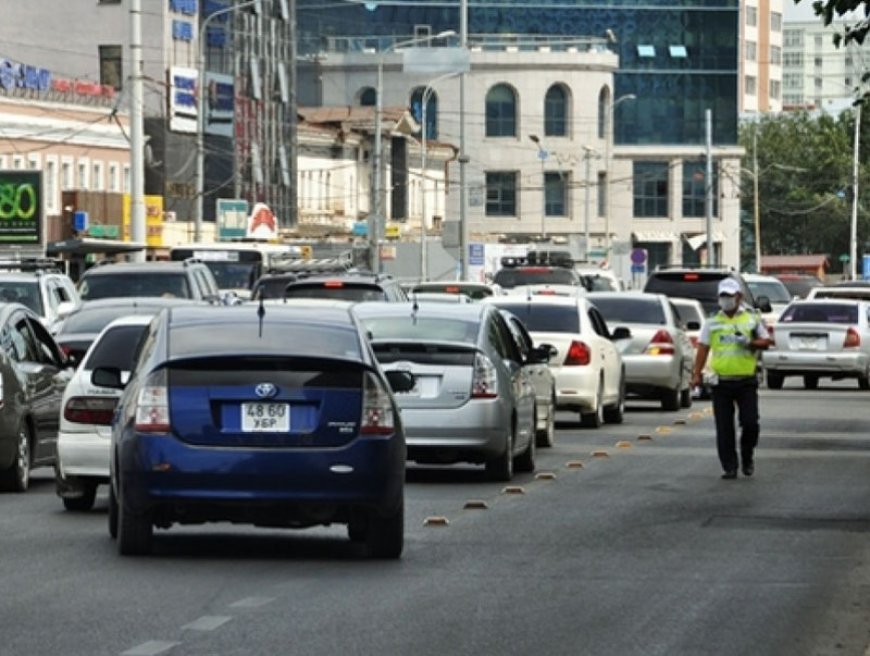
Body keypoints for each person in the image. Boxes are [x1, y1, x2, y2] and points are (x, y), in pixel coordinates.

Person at [691, 278, 771, 479]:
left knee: (750, 423)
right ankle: (730, 466)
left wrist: (750, 343)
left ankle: (747, 455)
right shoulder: (712, 322)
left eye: (730, 296)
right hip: (721, 381)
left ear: (739, 297)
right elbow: (703, 348)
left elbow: (767, 342)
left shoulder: (752, 319)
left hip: (746, 380)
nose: (726, 300)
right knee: (724, 427)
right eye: (723, 296)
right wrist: (696, 375)